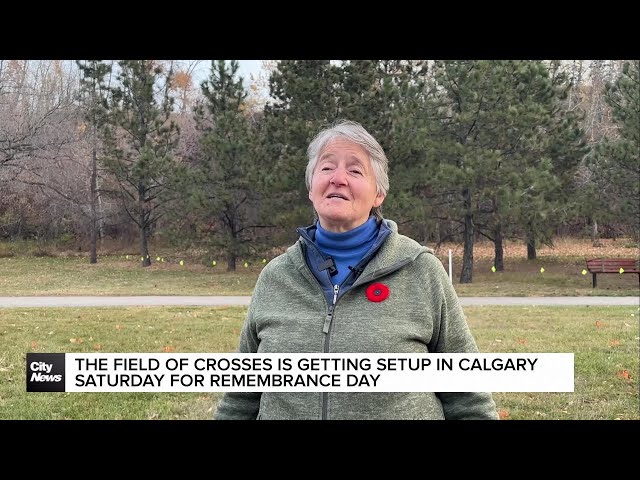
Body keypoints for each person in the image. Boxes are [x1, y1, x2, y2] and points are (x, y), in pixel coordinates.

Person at [214, 120, 499, 420]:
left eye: (355, 170)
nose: (338, 178)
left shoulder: (421, 271)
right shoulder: (275, 277)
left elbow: (468, 396)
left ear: (379, 195)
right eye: (326, 168)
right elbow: (240, 396)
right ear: (311, 188)